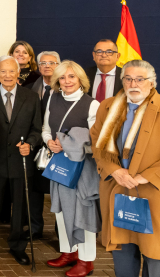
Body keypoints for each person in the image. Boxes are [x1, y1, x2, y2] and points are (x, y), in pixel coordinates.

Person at [92, 60, 160, 277]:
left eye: (140, 79)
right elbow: (97, 145)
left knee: (155, 254)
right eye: (128, 78)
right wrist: (115, 170)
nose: (133, 84)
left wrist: (143, 178)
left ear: (152, 83)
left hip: (153, 192)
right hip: (117, 189)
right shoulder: (107, 107)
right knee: (122, 250)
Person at [0, 56, 42, 266]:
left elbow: (37, 129)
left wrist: (30, 144)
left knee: (20, 207)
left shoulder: (31, 97)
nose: (7, 75)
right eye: (3, 72)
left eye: (11, 71)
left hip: (21, 161)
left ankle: (17, 246)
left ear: (18, 73)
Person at [42, 61, 100, 277]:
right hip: (59, 163)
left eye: (71, 77)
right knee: (61, 208)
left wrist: (65, 144)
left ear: (80, 79)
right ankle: (69, 252)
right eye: (62, 78)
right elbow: (46, 129)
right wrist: (49, 142)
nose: (66, 82)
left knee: (83, 211)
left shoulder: (92, 104)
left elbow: (95, 139)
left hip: (82, 167)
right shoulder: (53, 98)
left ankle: (86, 261)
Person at [28, 50, 61, 238]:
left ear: (59, 65)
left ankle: (60, 232)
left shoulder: (66, 89)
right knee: (34, 190)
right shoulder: (31, 88)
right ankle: (35, 228)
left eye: (52, 63)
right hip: (35, 146)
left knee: (59, 188)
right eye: (43, 63)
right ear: (38, 67)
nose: (47, 66)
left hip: (57, 146)